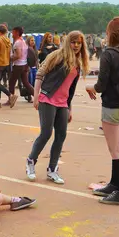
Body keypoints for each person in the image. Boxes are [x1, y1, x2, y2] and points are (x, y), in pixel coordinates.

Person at [86, 17, 119, 206]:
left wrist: (90, 88)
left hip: (113, 105)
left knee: (115, 149)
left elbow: (101, 85)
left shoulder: (109, 53)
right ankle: (114, 184)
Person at [26, 31, 89, 185]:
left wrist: (70, 108)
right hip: (47, 98)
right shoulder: (57, 55)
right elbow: (40, 74)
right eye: (73, 42)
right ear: (68, 42)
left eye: (79, 43)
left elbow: (70, 89)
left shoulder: (78, 63)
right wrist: (36, 96)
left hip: (63, 103)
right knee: (46, 133)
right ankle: (31, 162)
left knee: (61, 135)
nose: (76, 45)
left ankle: (52, 169)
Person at [9, 27, 34, 103]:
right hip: (25, 64)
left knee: (11, 82)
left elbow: (18, 55)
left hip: (18, 65)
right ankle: (38, 97)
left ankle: (11, 99)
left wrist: (10, 58)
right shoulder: (23, 41)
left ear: (16, 32)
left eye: (13, 32)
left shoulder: (17, 43)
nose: (12, 34)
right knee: (26, 83)